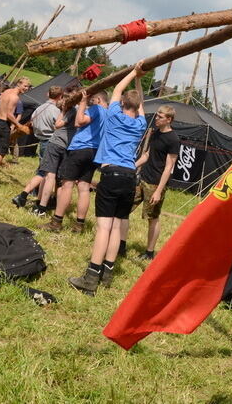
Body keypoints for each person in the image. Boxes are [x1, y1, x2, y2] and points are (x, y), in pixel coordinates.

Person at [69, 63, 146, 296]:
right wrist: (140, 80)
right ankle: (108, 272)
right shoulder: (141, 124)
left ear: (122, 104)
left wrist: (134, 72)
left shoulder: (113, 115)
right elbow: (139, 104)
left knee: (103, 225)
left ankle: (91, 277)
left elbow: (116, 91)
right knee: (116, 225)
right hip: (130, 177)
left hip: (111, 173)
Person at [43, 89, 108, 233]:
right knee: (84, 187)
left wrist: (84, 103)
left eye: (93, 99)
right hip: (95, 152)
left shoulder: (96, 108)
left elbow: (79, 122)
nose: (91, 101)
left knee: (67, 185)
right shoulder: (108, 113)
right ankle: (79, 225)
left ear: (98, 100)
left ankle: (56, 222)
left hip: (80, 149)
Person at [129, 104, 180, 261]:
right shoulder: (156, 133)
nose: (156, 118)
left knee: (153, 217)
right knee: (125, 207)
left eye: (160, 116)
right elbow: (147, 155)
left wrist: (158, 191)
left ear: (168, 119)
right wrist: (132, 166)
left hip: (155, 184)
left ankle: (149, 252)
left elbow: (169, 167)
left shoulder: (173, 139)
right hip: (142, 178)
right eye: (157, 115)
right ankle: (120, 244)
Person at [9, 85, 66, 209]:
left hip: (41, 140)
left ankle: (37, 196)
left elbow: (33, 123)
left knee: (43, 171)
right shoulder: (56, 111)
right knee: (46, 173)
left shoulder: (39, 108)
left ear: (48, 94)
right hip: (52, 142)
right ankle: (28, 197)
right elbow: (59, 125)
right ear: (60, 96)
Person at [0, 77, 32, 183]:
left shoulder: (5, 92)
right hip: (3, 125)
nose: (26, 88)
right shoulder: (15, 97)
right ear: (18, 84)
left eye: (28, 87)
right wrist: (19, 125)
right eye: (25, 86)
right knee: (1, 154)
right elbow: (9, 114)